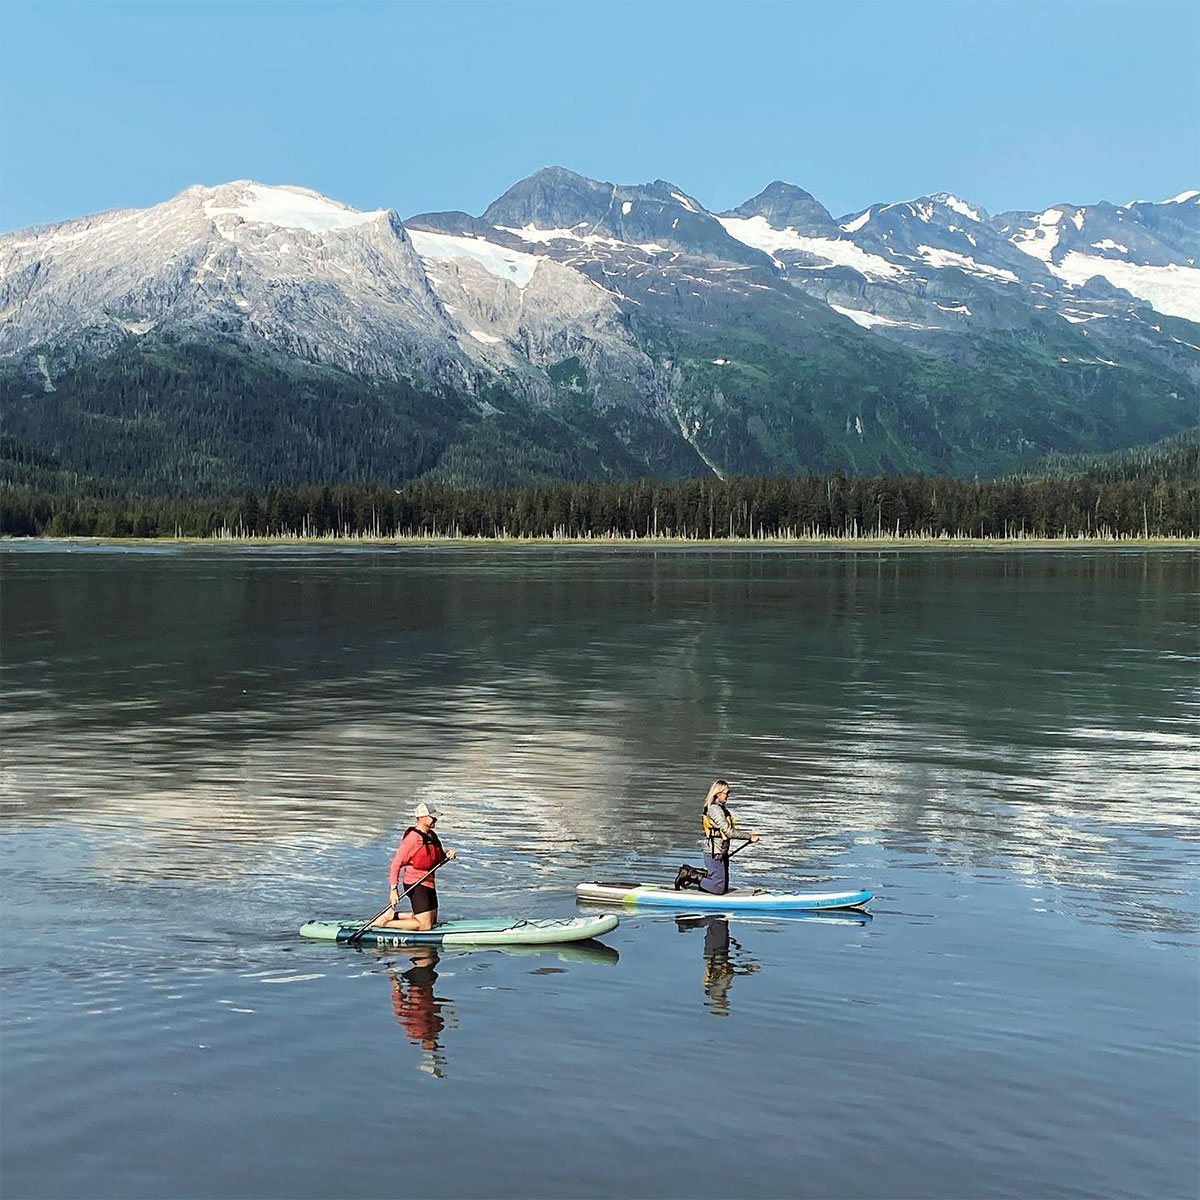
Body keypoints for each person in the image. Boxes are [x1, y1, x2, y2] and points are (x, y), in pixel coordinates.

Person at [379, 802, 456, 930]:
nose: (435, 819)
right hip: (416, 883)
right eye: (432, 817)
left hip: (429, 882)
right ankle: (383, 924)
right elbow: (396, 863)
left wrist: (447, 854)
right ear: (422, 818)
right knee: (425, 926)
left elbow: (434, 857)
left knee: (432, 920)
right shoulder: (413, 838)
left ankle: (393, 916)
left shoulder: (431, 836)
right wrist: (393, 890)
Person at [674, 779, 758, 894]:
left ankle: (704, 876)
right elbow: (728, 832)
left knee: (722, 886)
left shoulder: (721, 808)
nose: (728, 796)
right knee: (718, 888)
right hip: (714, 853)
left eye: (729, 793)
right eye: (726, 793)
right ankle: (690, 875)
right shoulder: (715, 810)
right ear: (718, 794)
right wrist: (749, 837)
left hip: (721, 852)